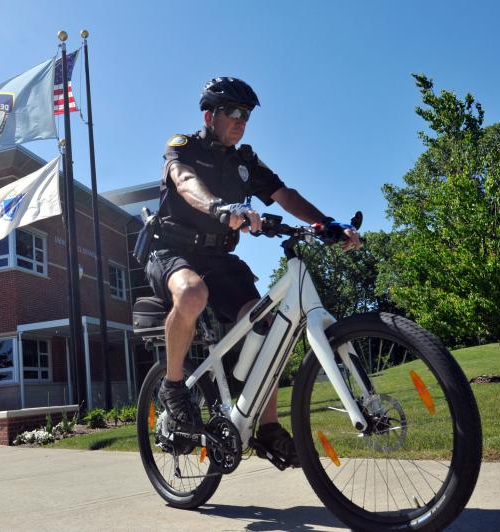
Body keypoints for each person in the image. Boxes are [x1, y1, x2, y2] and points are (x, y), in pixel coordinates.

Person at [145, 77, 362, 467]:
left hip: (220, 260)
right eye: (232, 112)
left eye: (246, 114)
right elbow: (184, 181)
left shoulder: (245, 162)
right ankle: (173, 387)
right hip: (172, 251)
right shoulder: (184, 147)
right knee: (192, 294)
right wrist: (220, 209)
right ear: (210, 115)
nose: (241, 120)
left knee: (265, 324)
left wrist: (325, 223)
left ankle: (267, 426)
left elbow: (285, 195)